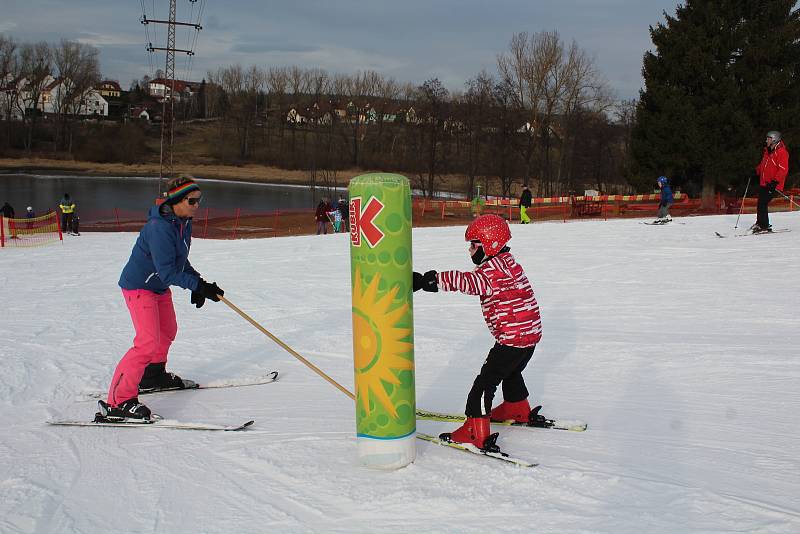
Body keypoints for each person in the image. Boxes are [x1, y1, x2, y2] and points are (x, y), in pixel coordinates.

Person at [99, 175, 225, 421]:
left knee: (167, 331)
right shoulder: (159, 228)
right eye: (192, 201)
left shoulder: (183, 222)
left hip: (157, 287)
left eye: (200, 200)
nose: (197, 205)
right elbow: (168, 272)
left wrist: (199, 284)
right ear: (177, 200)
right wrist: (196, 286)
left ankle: (152, 376)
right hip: (139, 286)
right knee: (147, 341)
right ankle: (118, 401)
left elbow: (179, 261)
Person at [413, 214, 543, 451]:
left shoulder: (491, 272)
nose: (470, 250)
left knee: (485, 383)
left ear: (490, 244)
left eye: (474, 245)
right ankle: (516, 406)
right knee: (511, 371)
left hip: (512, 339)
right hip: (530, 337)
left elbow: (468, 282)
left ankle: (476, 428)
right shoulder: (509, 263)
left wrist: (430, 281)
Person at [752, 130, 789, 233]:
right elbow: (763, 165)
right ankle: (761, 223)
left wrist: (775, 182)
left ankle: (763, 225)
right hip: (764, 183)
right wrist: (756, 171)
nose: (766, 140)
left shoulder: (781, 152)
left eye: (768, 139)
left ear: (774, 139)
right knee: (761, 203)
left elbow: (783, 169)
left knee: (762, 203)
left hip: (773, 184)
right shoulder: (768, 151)